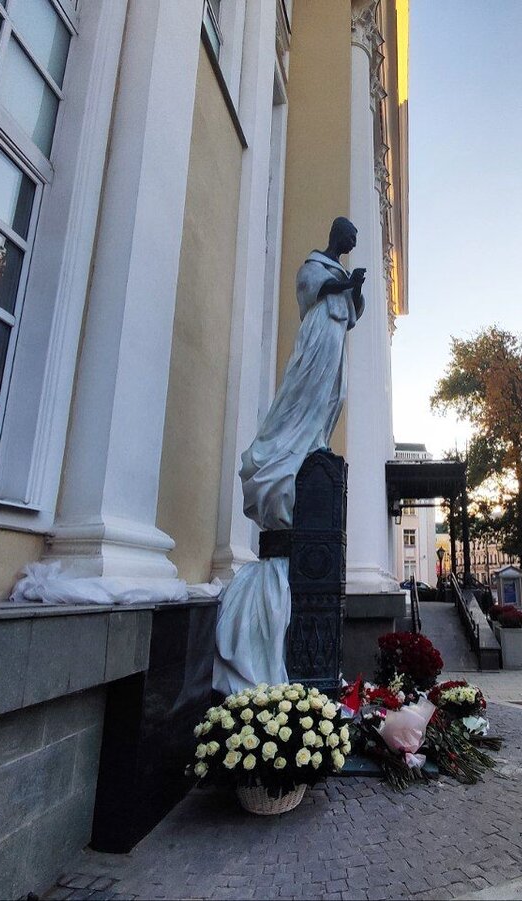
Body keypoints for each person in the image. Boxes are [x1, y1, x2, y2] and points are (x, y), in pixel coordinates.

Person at [214, 218, 365, 695]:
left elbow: (353, 309)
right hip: (318, 342)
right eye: (349, 239)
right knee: (305, 396)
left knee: (329, 401)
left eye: (354, 242)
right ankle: (295, 447)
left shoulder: (335, 277)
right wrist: (346, 283)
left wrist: (353, 291)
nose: (351, 245)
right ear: (336, 238)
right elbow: (316, 291)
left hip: (335, 348)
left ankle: (313, 443)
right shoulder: (314, 267)